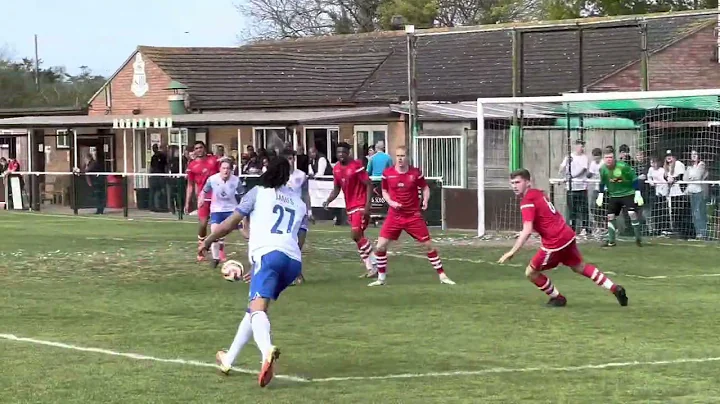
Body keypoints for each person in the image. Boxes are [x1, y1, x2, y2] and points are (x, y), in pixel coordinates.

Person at [201, 156, 307, 388]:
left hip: (269, 255)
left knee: (258, 309)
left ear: (268, 171)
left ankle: (266, 351)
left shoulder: (258, 192)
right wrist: (263, 265)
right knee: (253, 309)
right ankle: (228, 359)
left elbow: (229, 224)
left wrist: (207, 241)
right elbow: (300, 237)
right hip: (292, 262)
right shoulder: (299, 203)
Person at [498, 168, 628, 307]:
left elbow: (527, 229)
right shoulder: (539, 194)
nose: (514, 186)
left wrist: (512, 252)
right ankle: (615, 288)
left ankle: (558, 298)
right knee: (579, 267)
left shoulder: (527, 201)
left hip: (554, 242)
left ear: (528, 182)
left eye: (518, 182)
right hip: (567, 234)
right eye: (512, 183)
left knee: (531, 272)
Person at [369, 146, 455, 286]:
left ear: (407, 157)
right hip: (394, 215)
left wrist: (425, 200)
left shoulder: (415, 173)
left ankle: (442, 276)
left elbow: (425, 187)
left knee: (428, 245)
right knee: (380, 247)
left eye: (402, 155)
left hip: (412, 215)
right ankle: (381, 278)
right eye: (398, 156)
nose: (400, 159)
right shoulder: (388, 173)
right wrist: (391, 202)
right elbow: (384, 190)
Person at [323, 142, 377, 278]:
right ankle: (370, 268)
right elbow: (337, 188)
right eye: (339, 152)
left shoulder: (356, 166)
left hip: (360, 205)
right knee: (358, 238)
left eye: (344, 152)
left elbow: (369, 184)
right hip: (350, 206)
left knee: (355, 234)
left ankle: (376, 261)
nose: (341, 155)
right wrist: (328, 200)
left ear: (348, 153)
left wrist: (367, 206)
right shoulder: (336, 169)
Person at [199, 159, 245, 268]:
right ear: (220, 169)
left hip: (232, 210)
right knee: (215, 232)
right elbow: (204, 191)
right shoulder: (212, 179)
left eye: (228, 168)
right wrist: (201, 198)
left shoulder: (236, 181)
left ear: (231, 170)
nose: (226, 171)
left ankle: (255, 256)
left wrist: (243, 208)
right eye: (223, 168)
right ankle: (215, 259)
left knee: (245, 233)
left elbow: (243, 195)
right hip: (217, 210)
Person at [596, 146, 644, 247]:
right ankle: (611, 241)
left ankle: (638, 238)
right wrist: (600, 195)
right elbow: (602, 182)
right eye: (606, 157)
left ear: (614, 158)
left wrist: (638, 193)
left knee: (632, 213)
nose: (608, 159)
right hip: (614, 195)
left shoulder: (623, 166)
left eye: (610, 157)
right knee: (610, 216)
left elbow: (634, 178)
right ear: (604, 159)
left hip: (628, 193)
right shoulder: (603, 169)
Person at [185, 141, 221, 261]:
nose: (199, 150)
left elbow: (223, 174)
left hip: (217, 196)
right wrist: (187, 202)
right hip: (203, 197)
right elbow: (190, 185)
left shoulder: (214, 160)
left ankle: (219, 250)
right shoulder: (192, 166)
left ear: (205, 149)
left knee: (217, 225)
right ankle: (201, 246)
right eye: (196, 148)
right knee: (203, 223)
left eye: (201, 147)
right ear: (194, 151)